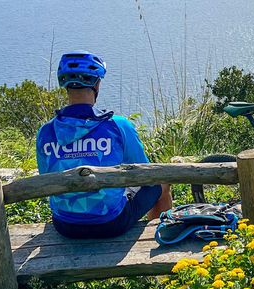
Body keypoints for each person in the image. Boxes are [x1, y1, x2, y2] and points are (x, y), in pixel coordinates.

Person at [36, 51, 172, 239]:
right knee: (163, 182)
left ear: (64, 85)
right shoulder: (117, 125)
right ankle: (156, 238)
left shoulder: (45, 132)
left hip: (65, 225)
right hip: (111, 222)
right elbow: (146, 174)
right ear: (97, 83)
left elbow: (47, 179)